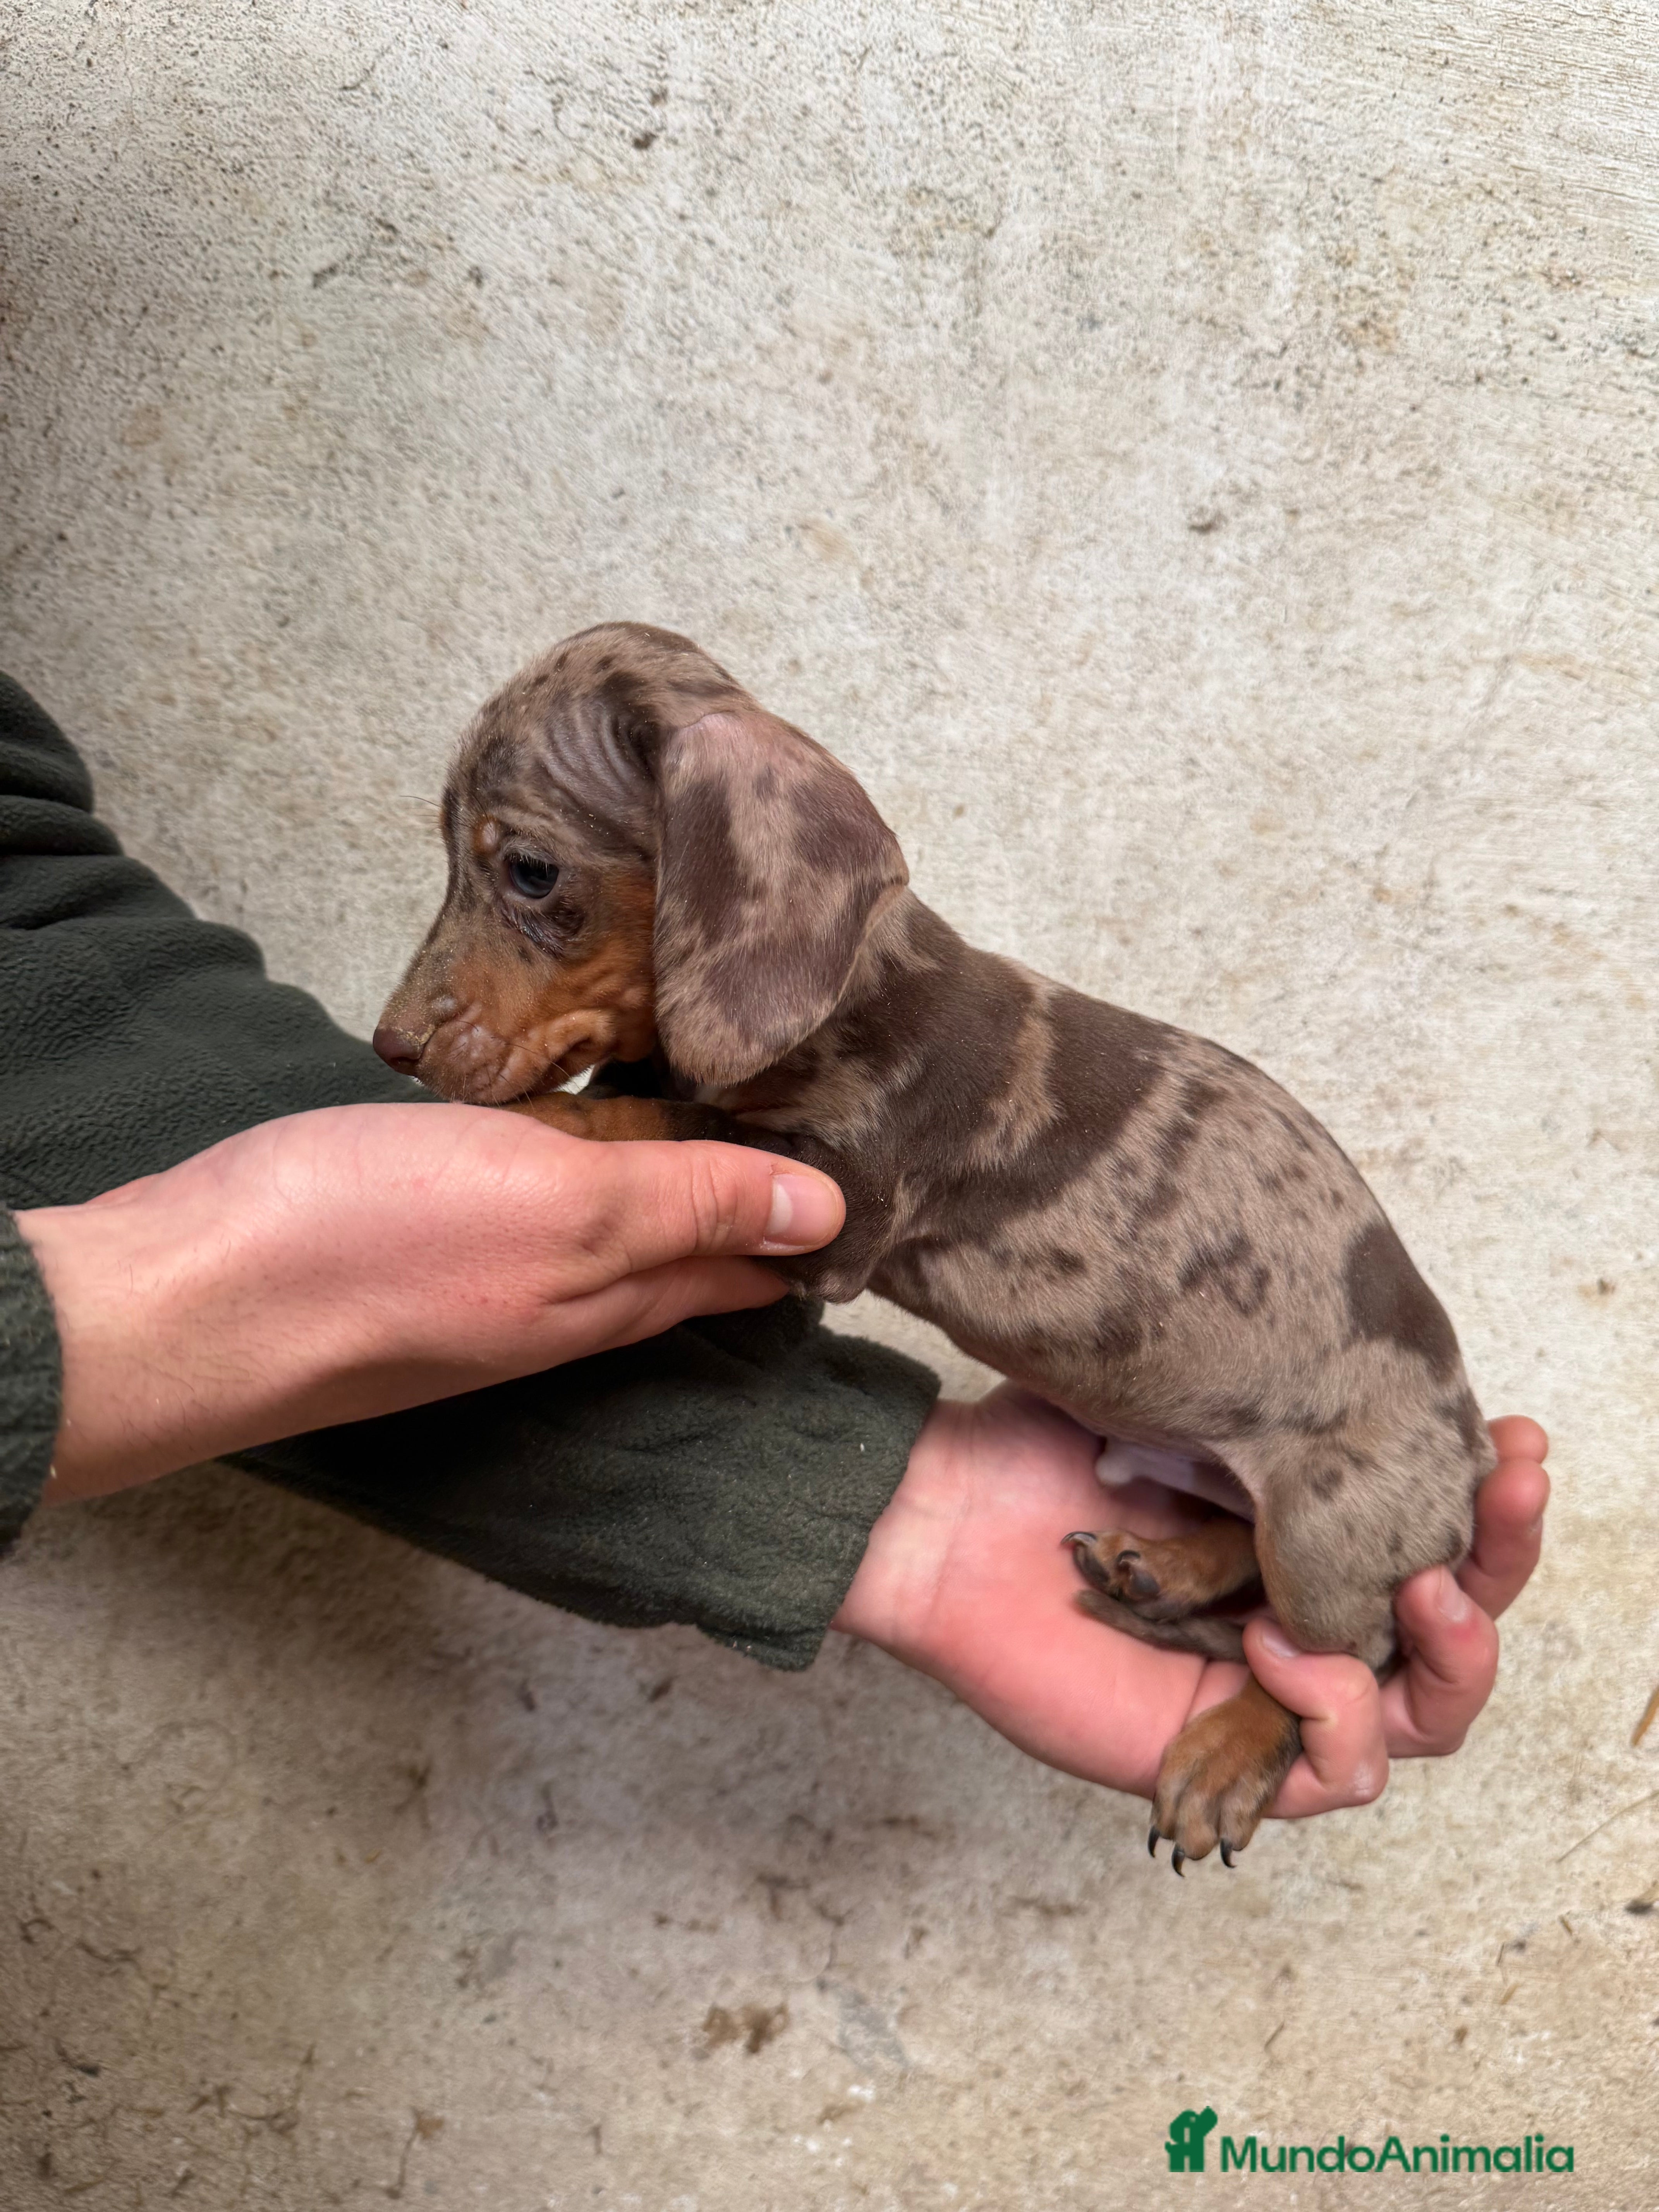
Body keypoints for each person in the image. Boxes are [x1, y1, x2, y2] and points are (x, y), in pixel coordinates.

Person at [0, 670, 1549, 1828]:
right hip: (1166, 1423)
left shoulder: (903, 1062)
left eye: (530, 881)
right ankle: (1222, 1560)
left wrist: (577, 1141)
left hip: (1340, 1432)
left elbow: (805, 1231)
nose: (412, 1017)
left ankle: (1269, 1686)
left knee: (1341, 1533)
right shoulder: (768, 1027)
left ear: (744, 894)